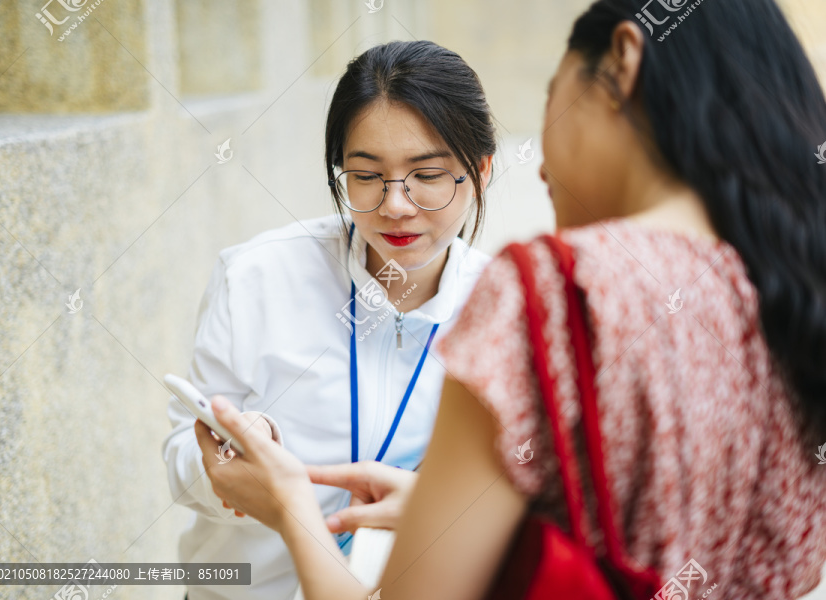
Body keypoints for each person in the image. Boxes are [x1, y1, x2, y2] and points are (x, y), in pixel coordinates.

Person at [195, 0, 826, 598]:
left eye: (554, 91)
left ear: (623, 65)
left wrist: (291, 509)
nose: (395, 203)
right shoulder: (790, 291)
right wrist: (443, 510)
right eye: (365, 174)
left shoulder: (550, 290)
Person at [162, 40, 498, 600]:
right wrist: (226, 462)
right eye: (366, 175)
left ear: (480, 171)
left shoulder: (506, 311)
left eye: (428, 175)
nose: (395, 204)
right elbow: (181, 452)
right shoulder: (256, 276)